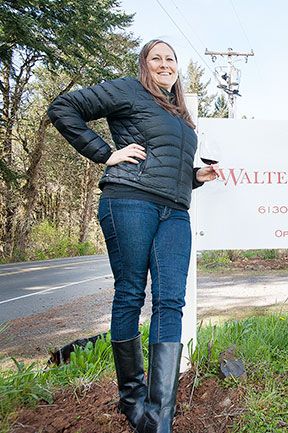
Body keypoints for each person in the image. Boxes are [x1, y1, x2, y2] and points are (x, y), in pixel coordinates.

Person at [48, 39, 221, 432]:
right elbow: (64, 108)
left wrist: (196, 177)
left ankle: (159, 414)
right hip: (128, 202)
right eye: (156, 58)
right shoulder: (128, 89)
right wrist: (104, 153)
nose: (164, 64)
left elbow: (166, 170)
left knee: (170, 301)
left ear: (178, 68)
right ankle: (132, 400)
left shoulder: (180, 114)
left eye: (171, 59)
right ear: (144, 64)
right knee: (129, 294)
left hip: (174, 211)